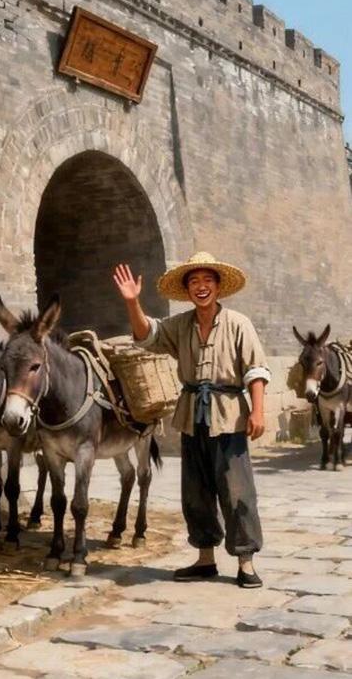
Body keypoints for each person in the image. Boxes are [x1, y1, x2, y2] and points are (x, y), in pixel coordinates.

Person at [113, 252, 269, 588]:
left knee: (237, 491)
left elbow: (256, 370)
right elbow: (147, 335)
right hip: (191, 417)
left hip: (229, 417)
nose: (201, 287)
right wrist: (132, 303)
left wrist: (257, 410)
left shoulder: (238, 323)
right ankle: (205, 558)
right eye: (194, 282)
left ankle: (245, 561)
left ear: (218, 287)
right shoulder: (181, 325)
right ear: (187, 290)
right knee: (195, 492)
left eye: (207, 281)